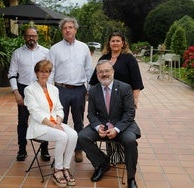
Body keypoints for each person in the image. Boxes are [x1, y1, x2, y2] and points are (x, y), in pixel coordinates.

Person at [78, 60, 141, 188]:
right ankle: (102, 164)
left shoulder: (124, 88)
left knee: (130, 140)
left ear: (113, 72)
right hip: (102, 125)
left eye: (107, 71)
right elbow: (91, 113)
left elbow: (129, 113)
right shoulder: (94, 90)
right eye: (101, 72)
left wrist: (117, 129)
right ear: (97, 74)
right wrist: (97, 126)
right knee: (82, 137)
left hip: (123, 126)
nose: (104, 74)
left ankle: (131, 178)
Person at [24, 59, 78, 188]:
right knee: (63, 136)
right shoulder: (29, 90)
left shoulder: (54, 89)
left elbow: (59, 108)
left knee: (74, 135)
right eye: (42, 71)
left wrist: (59, 121)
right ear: (36, 73)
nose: (45, 74)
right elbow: (35, 112)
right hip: (39, 126)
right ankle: (57, 170)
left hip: (55, 122)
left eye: (47, 71)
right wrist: (54, 126)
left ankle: (65, 167)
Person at [48, 17, 93, 162]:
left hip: (79, 90)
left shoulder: (84, 47)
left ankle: (78, 149)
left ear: (75, 29)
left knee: (79, 121)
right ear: (62, 30)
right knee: (61, 121)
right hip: (61, 90)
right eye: (65, 28)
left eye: (70, 27)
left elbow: (88, 70)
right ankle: (61, 152)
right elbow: (51, 72)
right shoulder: (54, 49)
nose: (68, 30)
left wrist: (90, 89)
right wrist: (49, 91)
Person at [8, 27, 50, 161]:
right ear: (24, 37)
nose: (31, 38)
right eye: (28, 36)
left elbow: (51, 72)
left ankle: (44, 150)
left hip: (41, 89)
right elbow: (12, 73)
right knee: (22, 121)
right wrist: (16, 92)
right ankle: (22, 150)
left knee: (44, 119)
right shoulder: (17, 53)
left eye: (34, 35)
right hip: (23, 89)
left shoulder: (46, 52)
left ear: (37, 36)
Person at [89, 31, 144, 108]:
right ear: (109, 43)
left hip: (124, 98)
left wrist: (135, 99)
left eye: (118, 41)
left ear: (122, 43)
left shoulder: (129, 58)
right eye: (113, 41)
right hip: (105, 97)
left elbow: (136, 80)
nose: (115, 43)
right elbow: (95, 79)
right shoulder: (104, 58)